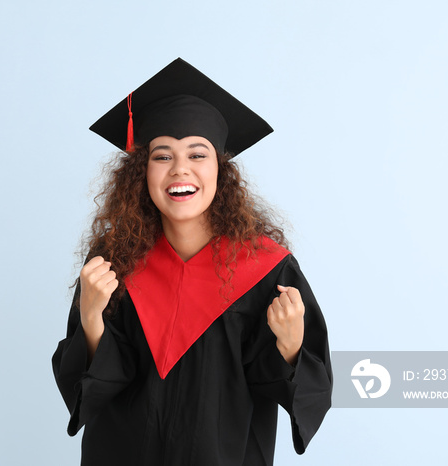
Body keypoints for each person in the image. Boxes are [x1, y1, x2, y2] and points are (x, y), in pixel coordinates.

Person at [52, 58, 332, 466]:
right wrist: (92, 318)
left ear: (220, 168)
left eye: (198, 154)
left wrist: (290, 346)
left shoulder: (266, 269)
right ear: (141, 172)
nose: (180, 169)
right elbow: (90, 390)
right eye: (162, 156)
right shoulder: (114, 265)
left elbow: (305, 390)